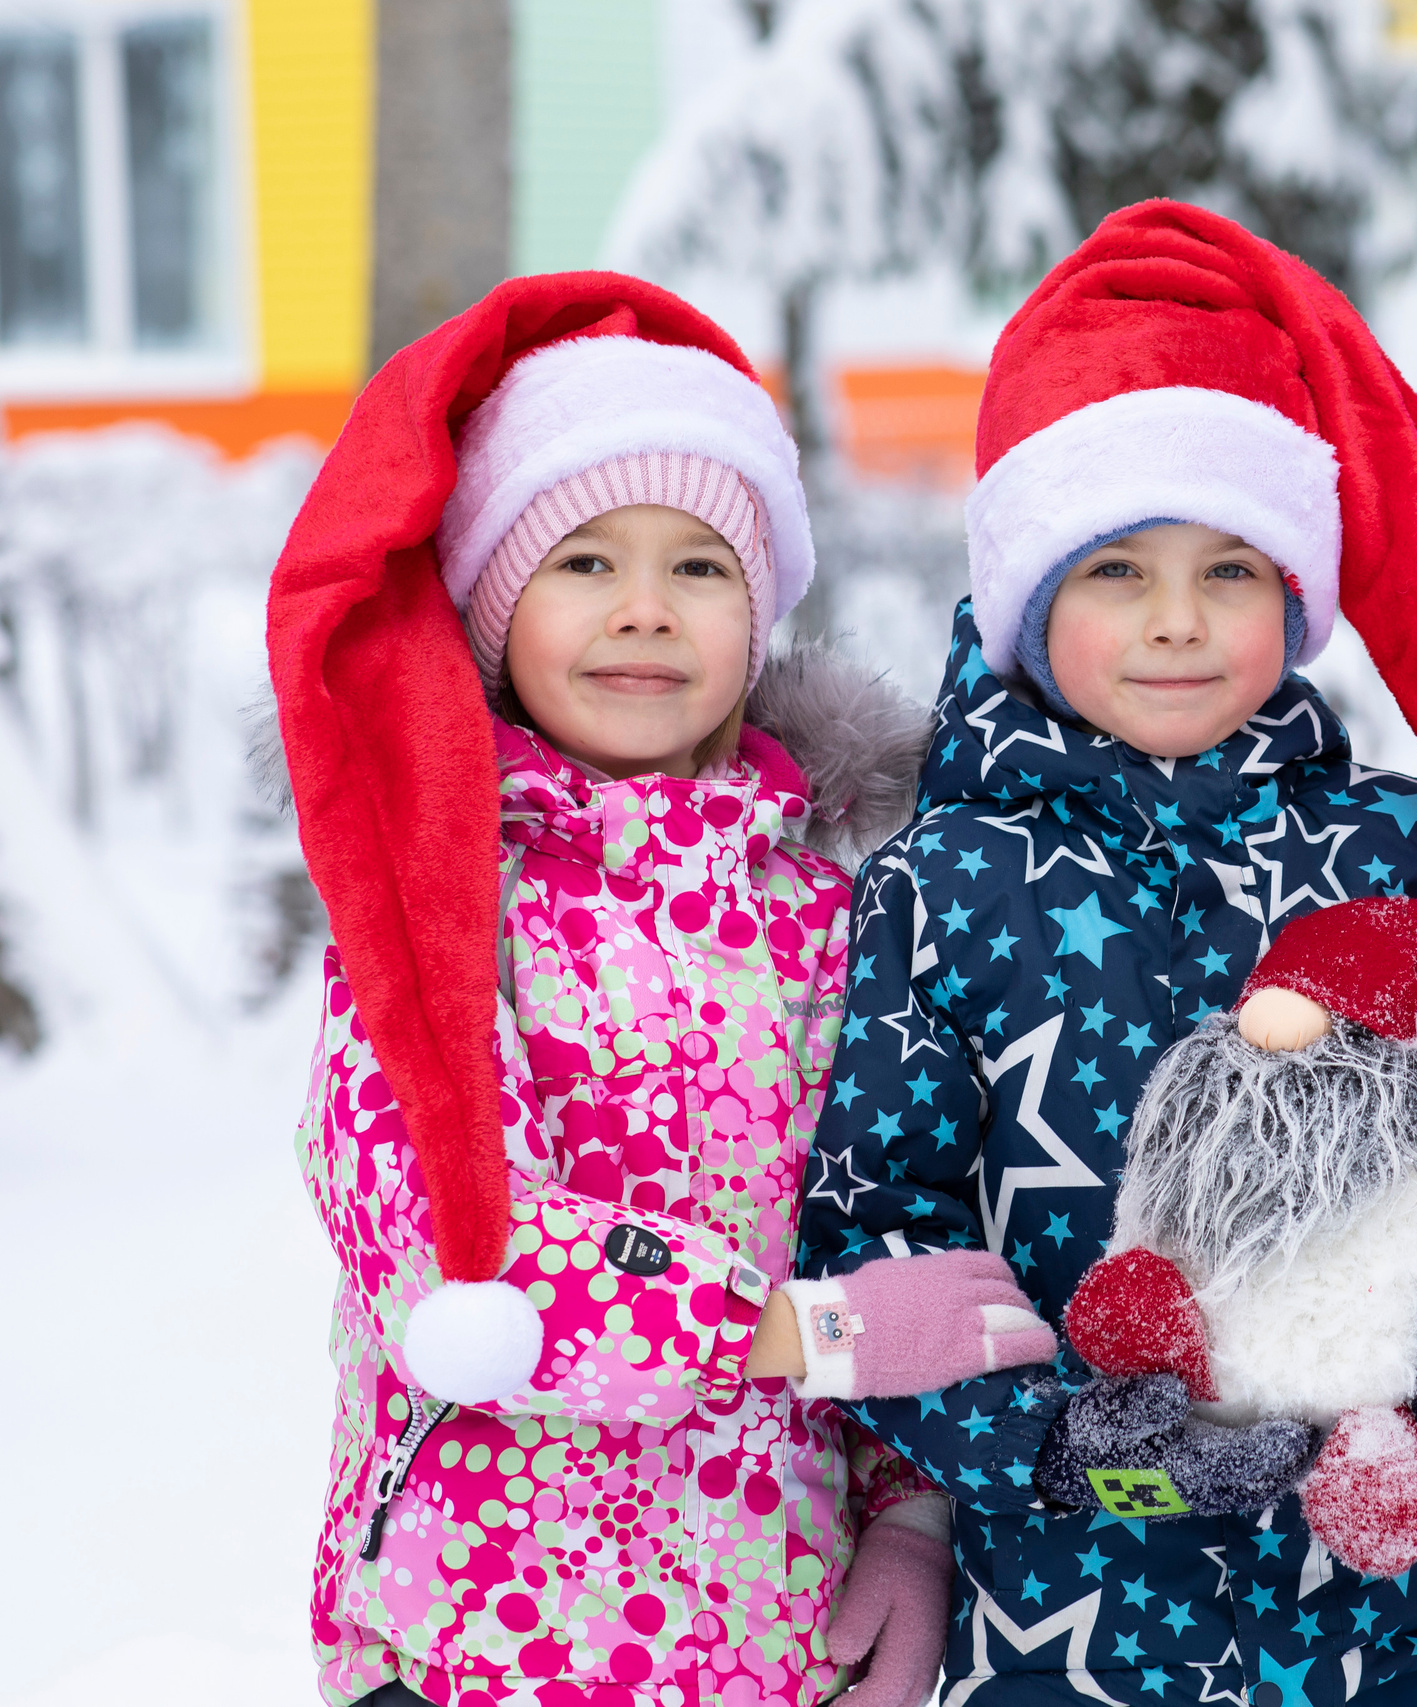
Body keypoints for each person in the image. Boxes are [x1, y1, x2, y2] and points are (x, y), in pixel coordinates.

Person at [796, 200, 1417, 1707]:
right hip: (1072, 1624)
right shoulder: (941, 883)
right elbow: (874, 1221)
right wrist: (1055, 1442)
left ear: (1299, 598)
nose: (1178, 622)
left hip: (1396, 1620)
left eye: (1232, 572)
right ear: (1028, 600)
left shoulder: (1407, 852)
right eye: (1117, 571)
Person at [269, 274, 1050, 1707]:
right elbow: (457, 1253)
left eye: (699, 565)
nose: (645, 610)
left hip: (773, 1630)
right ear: (493, 608)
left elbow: (881, 1226)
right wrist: (807, 1332)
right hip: (470, 1639)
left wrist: (912, 1521)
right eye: (582, 564)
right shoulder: (437, 908)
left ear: (757, 615)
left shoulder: (836, 917)